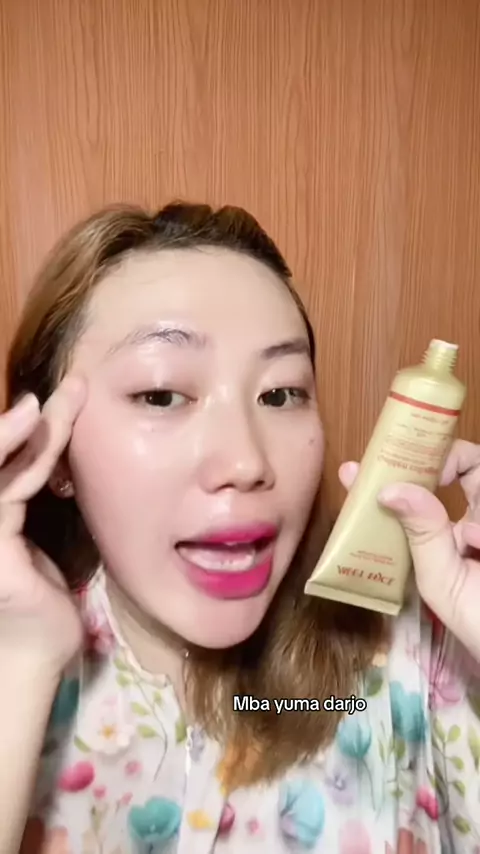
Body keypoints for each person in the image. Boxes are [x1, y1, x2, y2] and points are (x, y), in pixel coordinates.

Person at [1, 202, 479, 854]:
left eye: (280, 394)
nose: (247, 462)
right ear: (52, 452)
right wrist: (21, 662)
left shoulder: (418, 650)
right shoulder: (21, 670)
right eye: (162, 394)